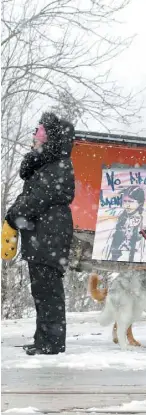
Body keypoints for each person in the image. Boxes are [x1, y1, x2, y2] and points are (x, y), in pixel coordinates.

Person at [4, 112, 75, 355]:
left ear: (50, 140)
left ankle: (52, 343)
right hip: (42, 236)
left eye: (39, 134)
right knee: (41, 290)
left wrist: (12, 216)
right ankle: (43, 338)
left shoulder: (58, 165)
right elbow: (32, 197)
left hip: (50, 236)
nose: (34, 138)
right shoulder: (46, 165)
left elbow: (36, 199)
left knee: (48, 291)